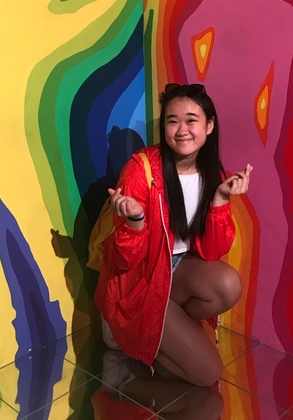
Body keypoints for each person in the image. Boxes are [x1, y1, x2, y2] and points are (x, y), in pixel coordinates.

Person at [95, 83, 253, 387]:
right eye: (172, 121)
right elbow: (124, 261)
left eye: (191, 120)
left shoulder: (213, 173)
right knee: (208, 374)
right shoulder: (141, 170)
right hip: (139, 281)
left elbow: (211, 252)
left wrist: (220, 199)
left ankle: (164, 330)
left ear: (209, 126)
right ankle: (125, 334)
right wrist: (135, 220)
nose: (182, 130)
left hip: (175, 273)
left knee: (228, 284)